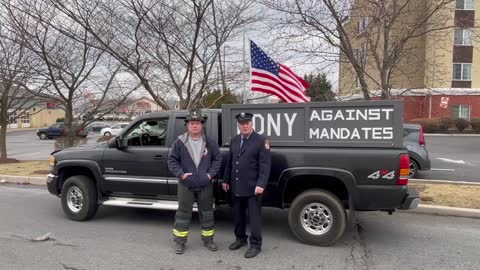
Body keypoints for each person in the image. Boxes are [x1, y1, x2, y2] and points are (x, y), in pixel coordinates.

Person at [168, 109, 221, 254]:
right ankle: (179, 242)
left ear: (202, 125)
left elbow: (217, 159)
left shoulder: (210, 142)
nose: (195, 126)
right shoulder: (180, 142)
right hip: (186, 185)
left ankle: (208, 240)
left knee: (207, 213)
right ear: (187, 125)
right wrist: (181, 174)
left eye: (198, 123)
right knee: (183, 213)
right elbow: (172, 160)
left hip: (205, 184)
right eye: (192, 123)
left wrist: (210, 175)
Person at [222, 112, 272, 259]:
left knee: (254, 218)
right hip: (236, 184)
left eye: (247, 123)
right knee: (237, 215)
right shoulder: (235, 140)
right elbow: (230, 163)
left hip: (253, 187)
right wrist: (225, 180)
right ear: (238, 125)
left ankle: (255, 245)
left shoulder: (261, 140)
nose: (244, 126)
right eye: (242, 124)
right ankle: (240, 239)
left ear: (252, 124)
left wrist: (261, 184)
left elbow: (265, 165)